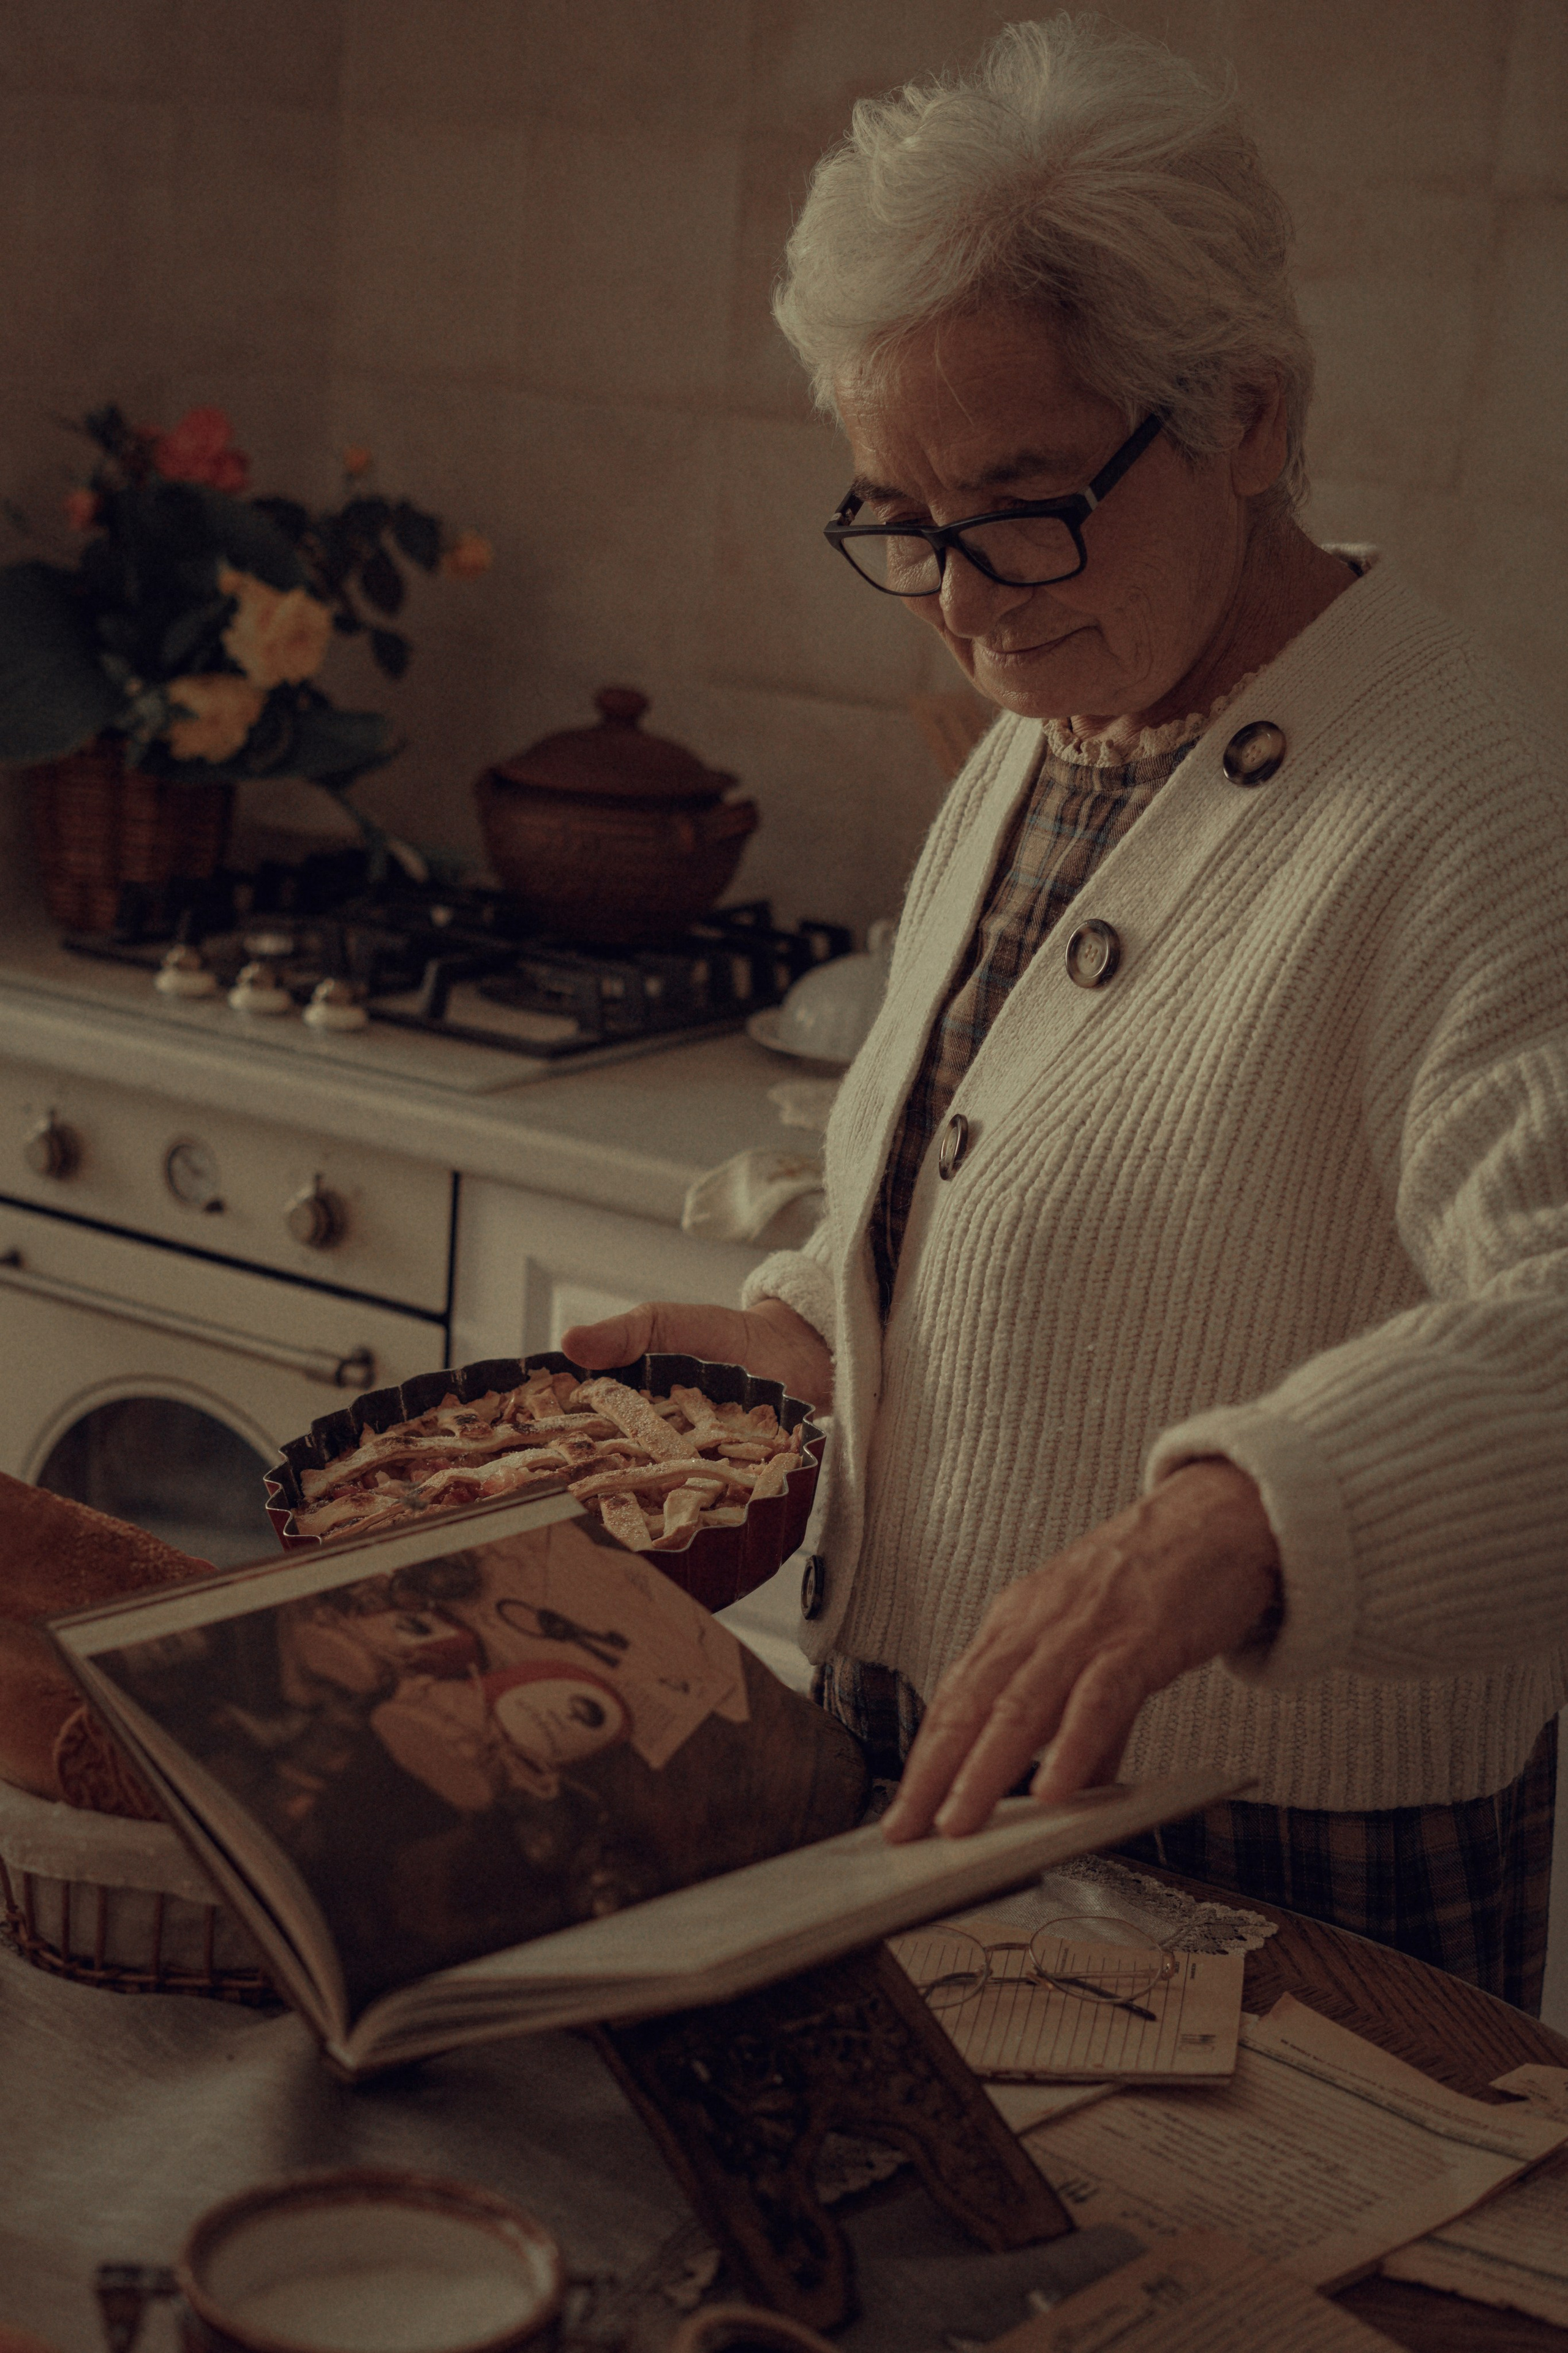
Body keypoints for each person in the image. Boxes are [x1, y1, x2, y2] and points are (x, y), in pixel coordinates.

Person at [564, 16, 1568, 2009]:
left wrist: (1243, 1511)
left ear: (1251, 415)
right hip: (942, 1780)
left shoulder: (1475, 806)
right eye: (901, 519)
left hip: (1275, 1851)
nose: (964, 599)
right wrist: (803, 1335)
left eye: (1020, 503)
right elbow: (1052, 1185)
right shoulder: (1068, 714)